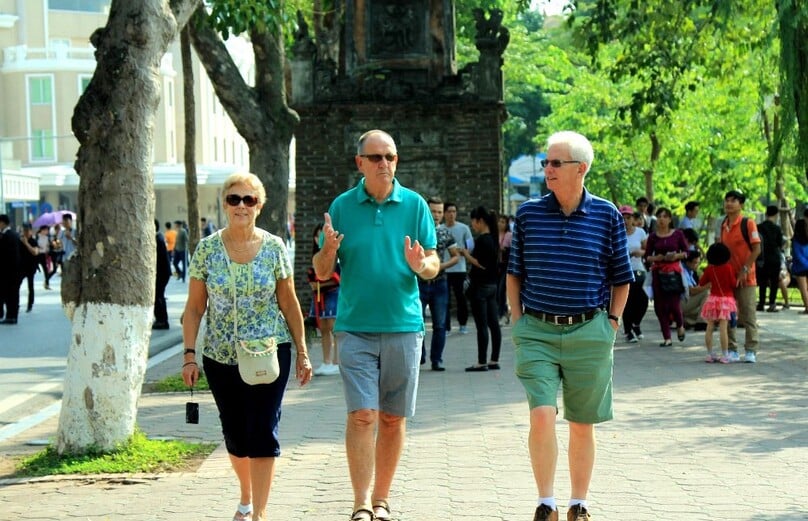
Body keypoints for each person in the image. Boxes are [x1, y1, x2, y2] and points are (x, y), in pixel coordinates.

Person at [312, 129, 439, 521]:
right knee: (363, 414)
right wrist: (328, 251)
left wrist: (422, 265)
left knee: (392, 417)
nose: (385, 163)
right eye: (376, 157)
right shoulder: (343, 207)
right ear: (360, 163)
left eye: (391, 156)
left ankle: (382, 500)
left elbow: (433, 263)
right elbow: (320, 271)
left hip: (404, 325)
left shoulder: (415, 205)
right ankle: (361, 502)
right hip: (355, 327)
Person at [507, 131, 633, 521]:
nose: (547, 169)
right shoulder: (528, 214)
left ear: (581, 168)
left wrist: (611, 323)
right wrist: (517, 322)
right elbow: (515, 273)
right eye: (546, 162)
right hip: (537, 332)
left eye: (555, 163)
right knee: (542, 414)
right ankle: (546, 502)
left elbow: (621, 276)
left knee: (582, 423)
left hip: (589, 332)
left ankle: (579, 503)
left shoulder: (607, 215)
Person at [181, 172, 312, 521]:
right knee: (235, 433)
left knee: (263, 428)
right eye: (234, 199)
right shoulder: (207, 250)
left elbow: (289, 301)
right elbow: (194, 308)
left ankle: (260, 514)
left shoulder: (274, 248)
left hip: (269, 353)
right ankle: (246, 497)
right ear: (225, 204)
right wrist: (189, 355)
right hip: (220, 357)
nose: (241, 205)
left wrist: (302, 350)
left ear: (260, 205)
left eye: (248, 199)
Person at [719, 189, 761, 363]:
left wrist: (745, 269)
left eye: (733, 200)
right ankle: (732, 349)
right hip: (728, 278)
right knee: (728, 315)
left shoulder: (748, 223)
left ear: (741, 204)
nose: (729, 203)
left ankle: (751, 349)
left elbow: (756, 249)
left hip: (746, 278)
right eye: (727, 200)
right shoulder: (723, 225)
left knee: (748, 315)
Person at [418, 196, 458, 371]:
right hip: (419, 282)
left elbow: (456, 255)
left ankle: (437, 359)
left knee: (440, 324)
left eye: (439, 212)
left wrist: (441, 266)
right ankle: (419, 356)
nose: (436, 215)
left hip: (439, 283)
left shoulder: (445, 232)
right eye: (433, 211)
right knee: (417, 323)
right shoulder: (417, 230)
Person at [463, 206, 502, 372]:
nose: (472, 225)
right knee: (494, 324)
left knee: (482, 326)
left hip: (480, 288)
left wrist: (466, 254)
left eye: (473, 221)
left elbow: (480, 264)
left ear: (479, 221)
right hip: (492, 286)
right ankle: (494, 360)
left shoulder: (481, 240)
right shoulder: (494, 239)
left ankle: (481, 362)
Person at [645, 207, 689, 347]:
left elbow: (687, 252)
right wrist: (656, 258)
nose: (662, 219)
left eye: (665, 216)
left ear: (670, 219)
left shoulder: (677, 234)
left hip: (674, 272)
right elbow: (647, 256)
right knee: (660, 306)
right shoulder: (652, 237)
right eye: (659, 217)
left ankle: (680, 325)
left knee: (674, 304)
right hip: (658, 273)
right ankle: (667, 337)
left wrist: (676, 256)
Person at [307, 223, 341, 376]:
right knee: (324, 329)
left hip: (333, 294)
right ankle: (326, 361)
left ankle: (337, 362)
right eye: (317, 236)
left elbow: (337, 278)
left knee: (335, 329)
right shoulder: (314, 258)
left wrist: (322, 282)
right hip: (320, 297)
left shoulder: (336, 257)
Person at [698, 243, 737, 364]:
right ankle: (725, 354)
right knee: (723, 328)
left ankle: (710, 354)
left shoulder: (710, 269)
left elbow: (701, 282)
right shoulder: (728, 268)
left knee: (709, 327)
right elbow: (733, 283)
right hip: (726, 300)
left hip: (713, 300)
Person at [443, 201, 473, 335]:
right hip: (444, 268)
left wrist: (464, 251)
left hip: (459, 269)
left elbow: (471, 246)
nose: (451, 214)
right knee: (445, 300)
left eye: (454, 211)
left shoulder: (464, 228)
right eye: (449, 212)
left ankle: (463, 324)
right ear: (444, 213)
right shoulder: (440, 228)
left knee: (461, 298)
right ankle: (446, 327)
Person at [620, 207, 648, 342]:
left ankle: (636, 324)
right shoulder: (616, 233)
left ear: (633, 219)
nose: (625, 221)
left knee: (643, 299)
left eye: (628, 217)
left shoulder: (640, 232)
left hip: (639, 269)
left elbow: (647, 250)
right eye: (623, 217)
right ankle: (628, 331)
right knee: (628, 301)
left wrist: (640, 253)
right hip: (623, 271)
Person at [757, 205, 785, 312]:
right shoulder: (777, 229)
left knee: (762, 282)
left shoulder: (758, 227)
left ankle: (761, 303)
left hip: (762, 258)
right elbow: (780, 244)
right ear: (776, 215)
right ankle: (772, 303)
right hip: (774, 258)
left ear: (766, 214)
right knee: (774, 282)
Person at [681, 250, 709, 331]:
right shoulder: (683, 271)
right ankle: (701, 322)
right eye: (695, 263)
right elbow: (691, 291)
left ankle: (688, 321)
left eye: (698, 262)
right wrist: (707, 286)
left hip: (687, 301)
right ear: (688, 262)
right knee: (706, 293)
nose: (697, 265)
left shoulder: (691, 272)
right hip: (682, 302)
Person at [152, 220, 172, 330]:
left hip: (161, 273)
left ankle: (162, 321)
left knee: (158, 296)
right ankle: (161, 319)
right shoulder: (158, 238)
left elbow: (159, 260)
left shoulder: (157, 239)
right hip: (162, 272)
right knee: (159, 296)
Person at [19, 224, 39, 313]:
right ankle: (16, 304)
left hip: (31, 267)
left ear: (31, 231)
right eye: (24, 231)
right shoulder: (20, 240)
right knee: (16, 285)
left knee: (30, 286)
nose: (26, 233)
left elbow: (35, 252)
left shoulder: (33, 241)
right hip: (21, 267)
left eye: (27, 231)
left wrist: (26, 243)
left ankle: (30, 305)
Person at [497, 214, 513, 323]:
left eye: (503, 222)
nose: (500, 224)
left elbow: (513, 252)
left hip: (505, 266)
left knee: (501, 290)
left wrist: (504, 249)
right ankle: (505, 311)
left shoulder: (509, 235)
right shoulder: (494, 235)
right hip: (496, 266)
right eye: (499, 221)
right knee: (497, 289)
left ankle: (501, 313)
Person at [791, 216, 808, 313]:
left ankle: (807, 307)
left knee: (803, 289)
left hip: (800, 267)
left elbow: (797, 254)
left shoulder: (796, 240)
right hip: (806, 265)